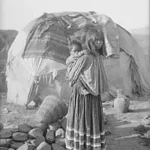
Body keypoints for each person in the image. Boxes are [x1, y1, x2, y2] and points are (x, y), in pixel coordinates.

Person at [65, 26, 108, 150]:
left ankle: (90, 146)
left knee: (91, 121)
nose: (99, 43)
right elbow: (71, 76)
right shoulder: (85, 57)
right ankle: (82, 146)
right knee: (83, 121)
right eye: (96, 40)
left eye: (101, 40)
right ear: (90, 41)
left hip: (93, 96)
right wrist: (80, 82)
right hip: (82, 97)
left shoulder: (97, 56)